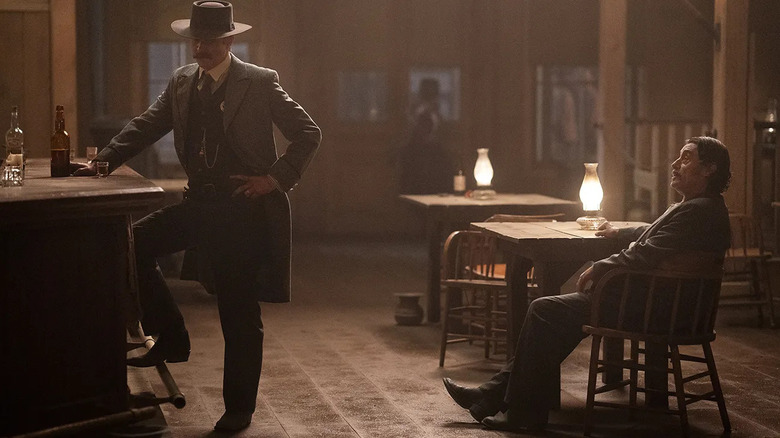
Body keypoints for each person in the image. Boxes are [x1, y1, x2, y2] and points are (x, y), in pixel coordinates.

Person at [73, 1, 320, 432]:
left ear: (229, 41)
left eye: (210, 40)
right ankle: (171, 335)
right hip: (199, 204)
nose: (201, 47)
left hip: (243, 209)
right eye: (196, 40)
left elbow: (307, 133)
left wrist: (274, 178)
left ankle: (239, 409)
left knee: (238, 311)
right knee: (132, 244)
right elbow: (146, 125)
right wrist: (102, 163)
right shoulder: (182, 81)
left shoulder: (259, 82)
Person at [442, 136, 731, 432]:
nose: (674, 164)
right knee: (557, 316)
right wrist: (620, 231)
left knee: (544, 311)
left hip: (654, 309)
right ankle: (493, 395)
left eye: (685, 158)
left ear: (709, 168)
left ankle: (522, 413)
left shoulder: (697, 212)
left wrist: (601, 265)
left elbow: (645, 253)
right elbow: (655, 232)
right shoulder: (702, 208)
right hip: (662, 305)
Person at [399, 77, 453, 194]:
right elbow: (418, 136)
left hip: (434, 158)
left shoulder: (435, 112)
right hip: (419, 159)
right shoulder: (417, 113)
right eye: (430, 92)